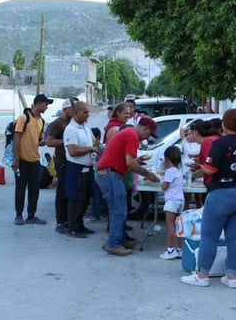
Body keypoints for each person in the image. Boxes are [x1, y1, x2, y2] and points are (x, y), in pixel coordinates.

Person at [181, 109, 236, 288]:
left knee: (209, 236)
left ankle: (202, 275)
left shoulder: (221, 144)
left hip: (223, 193)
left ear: (224, 124)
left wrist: (202, 166)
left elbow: (210, 170)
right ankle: (232, 277)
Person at [95, 116, 160, 256]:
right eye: (149, 134)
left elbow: (127, 160)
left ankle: (119, 239)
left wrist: (138, 161)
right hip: (110, 173)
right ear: (145, 128)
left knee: (117, 209)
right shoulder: (132, 135)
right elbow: (130, 163)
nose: (147, 137)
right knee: (119, 210)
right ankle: (114, 244)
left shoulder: (129, 133)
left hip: (109, 172)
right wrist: (148, 174)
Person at [12, 94, 52, 225]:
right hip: (22, 160)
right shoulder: (24, 118)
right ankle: (18, 215)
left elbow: (39, 139)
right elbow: (16, 138)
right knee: (20, 189)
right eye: (45, 104)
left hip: (35, 160)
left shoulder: (41, 121)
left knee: (34, 189)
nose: (46, 107)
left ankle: (31, 215)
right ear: (39, 103)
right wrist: (16, 159)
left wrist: (42, 142)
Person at [62, 101, 95, 238]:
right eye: (85, 112)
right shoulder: (71, 130)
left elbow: (94, 142)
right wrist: (90, 149)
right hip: (76, 169)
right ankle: (73, 227)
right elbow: (73, 151)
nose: (88, 115)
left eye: (88, 111)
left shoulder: (85, 127)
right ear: (76, 113)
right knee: (76, 199)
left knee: (85, 198)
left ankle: (80, 225)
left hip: (88, 168)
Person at [46, 97, 78, 233]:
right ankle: (60, 222)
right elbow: (49, 141)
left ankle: (72, 221)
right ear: (66, 109)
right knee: (62, 193)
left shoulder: (75, 123)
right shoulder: (57, 124)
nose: (76, 112)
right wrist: (67, 142)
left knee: (73, 193)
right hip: (62, 162)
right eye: (74, 109)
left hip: (74, 163)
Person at [159, 145, 184, 260]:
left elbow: (165, 186)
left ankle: (170, 250)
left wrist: (161, 183)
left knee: (170, 226)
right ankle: (180, 249)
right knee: (179, 226)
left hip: (171, 202)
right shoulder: (179, 171)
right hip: (180, 201)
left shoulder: (169, 171)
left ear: (167, 159)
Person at [188, 119, 221, 191]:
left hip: (213, 183)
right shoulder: (215, 138)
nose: (191, 136)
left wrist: (190, 176)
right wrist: (199, 166)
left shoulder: (208, 142)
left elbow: (210, 167)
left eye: (191, 133)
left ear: (196, 132)